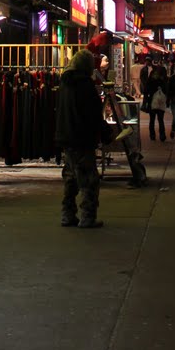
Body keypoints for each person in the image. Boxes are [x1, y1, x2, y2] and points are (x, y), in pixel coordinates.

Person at [55, 48, 108, 229]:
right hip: (82, 138)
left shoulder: (65, 83)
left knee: (70, 177)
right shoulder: (85, 85)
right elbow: (93, 114)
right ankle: (87, 216)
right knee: (88, 179)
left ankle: (67, 214)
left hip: (66, 137)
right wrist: (105, 133)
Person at [143, 63, 168, 141]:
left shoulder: (157, 80)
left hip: (155, 101)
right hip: (153, 101)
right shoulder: (160, 81)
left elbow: (146, 91)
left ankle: (157, 135)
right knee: (155, 119)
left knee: (157, 119)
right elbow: (146, 91)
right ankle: (157, 135)